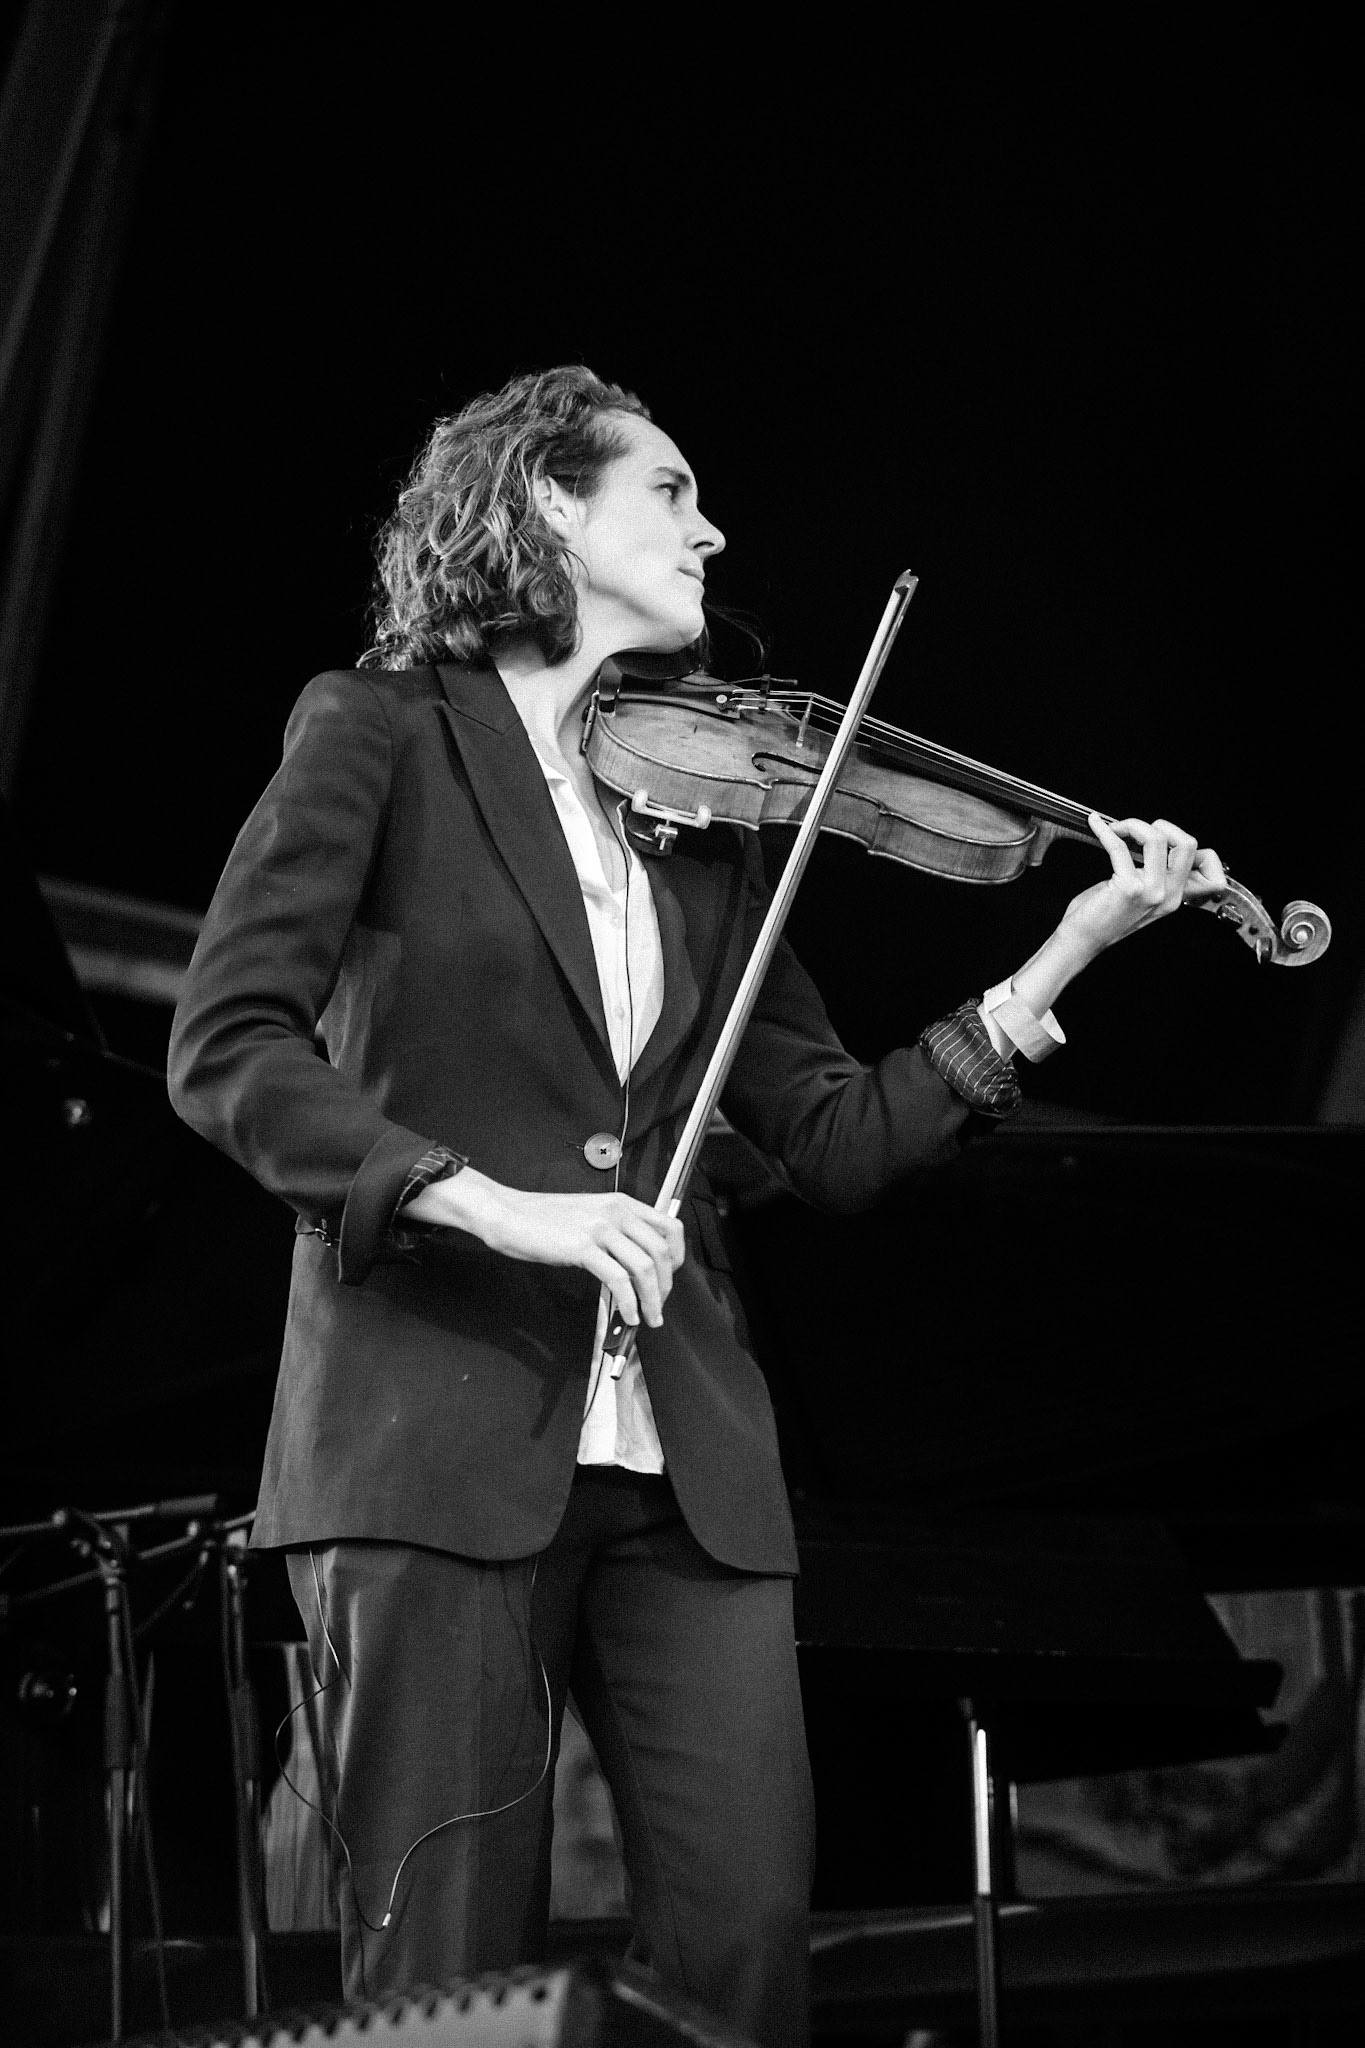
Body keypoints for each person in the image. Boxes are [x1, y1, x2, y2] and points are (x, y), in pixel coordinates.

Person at [167, 365, 1227, 2045]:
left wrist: (1060, 959)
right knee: (437, 1972)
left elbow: (830, 1136)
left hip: (685, 1461)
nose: (711, 524)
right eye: (668, 489)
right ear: (544, 507)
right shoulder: (380, 733)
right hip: (433, 1432)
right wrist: (485, 1203)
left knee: (743, 1954)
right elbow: (227, 1048)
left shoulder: (709, 818)